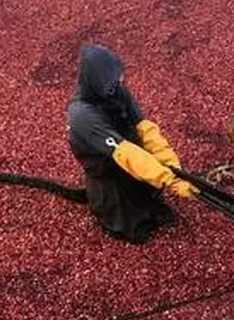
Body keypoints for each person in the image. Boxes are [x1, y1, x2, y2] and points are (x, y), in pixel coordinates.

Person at [67, 44, 198, 244]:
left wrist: (173, 167)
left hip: (130, 152)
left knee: (144, 186)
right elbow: (125, 153)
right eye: (112, 79)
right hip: (107, 167)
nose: (119, 81)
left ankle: (149, 203)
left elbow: (144, 128)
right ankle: (124, 220)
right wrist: (167, 180)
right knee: (127, 213)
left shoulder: (115, 90)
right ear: (96, 82)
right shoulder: (82, 114)